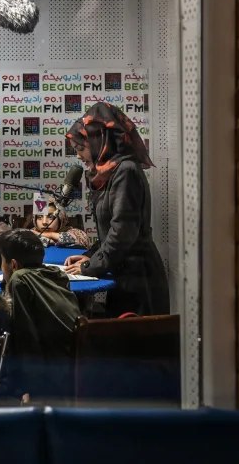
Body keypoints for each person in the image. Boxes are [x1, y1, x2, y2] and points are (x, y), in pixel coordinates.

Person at [62, 102, 169, 317]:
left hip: (138, 281)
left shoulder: (125, 171)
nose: (78, 156)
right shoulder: (108, 173)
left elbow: (122, 232)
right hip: (123, 275)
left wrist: (89, 267)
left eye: (81, 149)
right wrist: (90, 256)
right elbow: (108, 232)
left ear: (100, 141)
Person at [0, 229, 79, 406]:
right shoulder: (57, 274)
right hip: (75, 362)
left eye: (2, 262)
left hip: (52, 373)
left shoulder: (20, 279)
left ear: (13, 264)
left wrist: (28, 387)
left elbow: (25, 335)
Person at [25, 192, 91, 248]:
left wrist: (51, 235)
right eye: (39, 217)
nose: (44, 222)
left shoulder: (74, 233)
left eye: (50, 217)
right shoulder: (29, 234)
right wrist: (50, 241)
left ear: (61, 218)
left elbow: (83, 242)